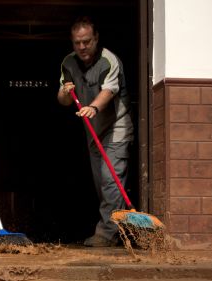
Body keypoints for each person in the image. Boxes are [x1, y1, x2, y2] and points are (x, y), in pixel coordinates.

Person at [57, 17, 134, 247]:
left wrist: (93, 106)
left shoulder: (109, 61)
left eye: (87, 42)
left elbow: (109, 91)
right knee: (103, 182)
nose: (82, 47)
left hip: (116, 126)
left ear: (96, 38)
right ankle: (117, 229)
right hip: (93, 130)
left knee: (111, 181)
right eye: (77, 42)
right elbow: (62, 100)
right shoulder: (68, 63)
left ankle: (107, 234)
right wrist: (65, 92)